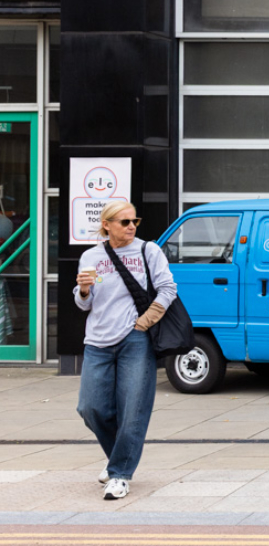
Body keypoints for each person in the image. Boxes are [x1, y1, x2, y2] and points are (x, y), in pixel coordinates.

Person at [73, 199, 178, 501]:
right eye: (124, 222)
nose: (131, 226)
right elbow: (84, 304)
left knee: (133, 410)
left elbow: (168, 288)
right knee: (90, 408)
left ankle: (119, 474)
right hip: (97, 341)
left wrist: (145, 322)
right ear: (107, 225)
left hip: (135, 339)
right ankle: (119, 458)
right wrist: (82, 290)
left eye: (135, 221)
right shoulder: (91, 256)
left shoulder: (148, 251)